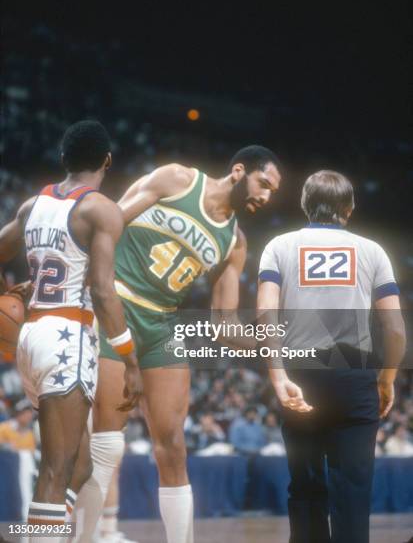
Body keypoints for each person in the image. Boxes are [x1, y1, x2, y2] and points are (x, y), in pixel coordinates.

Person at [73, 145, 281, 543]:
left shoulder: (235, 243)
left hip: (162, 324)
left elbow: (224, 324)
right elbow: (108, 222)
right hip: (117, 303)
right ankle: (84, 538)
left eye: (272, 191)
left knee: (173, 446)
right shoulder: (177, 179)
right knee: (108, 442)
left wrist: (267, 341)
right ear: (239, 171)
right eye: (263, 183)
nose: (266, 196)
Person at [0, 121, 140, 543]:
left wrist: (8, 293)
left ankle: (33, 535)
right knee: (57, 469)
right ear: (108, 161)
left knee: (78, 466)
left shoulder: (32, 204)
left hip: (30, 338)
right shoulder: (100, 209)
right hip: (68, 336)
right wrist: (129, 356)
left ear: (63, 158)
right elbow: (102, 291)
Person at [257, 170, 406, 543]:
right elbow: (396, 330)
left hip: (300, 375)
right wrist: (386, 379)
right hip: (355, 378)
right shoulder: (373, 250)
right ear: (350, 208)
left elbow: (265, 315)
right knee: (353, 492)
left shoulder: (279, 246)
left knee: (306, 488)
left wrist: (277, 376)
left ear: (305, 204)